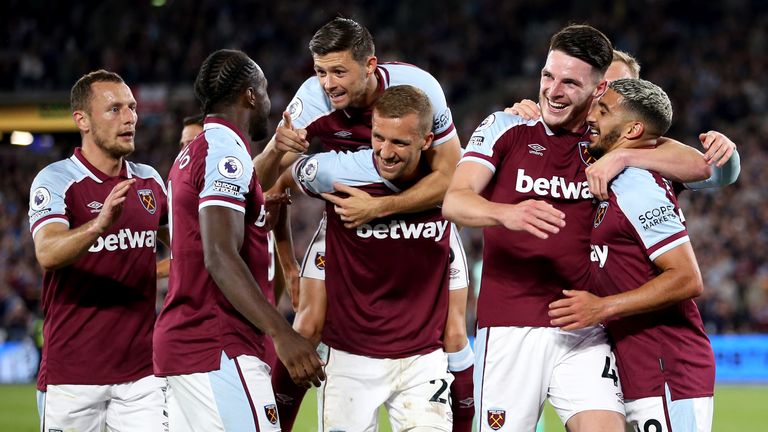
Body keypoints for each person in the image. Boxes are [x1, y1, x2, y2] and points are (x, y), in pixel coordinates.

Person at [443, 25, 714, 432]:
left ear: (599, 89)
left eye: (570, 83)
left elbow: (698, 165)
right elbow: (455, 201)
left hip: (583, 327)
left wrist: (622, 159)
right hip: (510, 327)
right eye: (548, 77)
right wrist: (506, 213)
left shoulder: (607, 140)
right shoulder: (507, 126)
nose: (553, 91)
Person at [252, 17, 472, 431]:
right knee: (308, 322)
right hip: (349, 213)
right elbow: (262, 185)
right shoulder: (310, 105)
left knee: (454, 329)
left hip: (420, 212)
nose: (328, 83)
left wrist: (380, 209)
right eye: (320, 71)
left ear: (370, 65)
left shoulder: (419, 88)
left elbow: (450, 177)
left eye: (339, 71)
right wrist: (275, 150)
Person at [152, 49, 324, 432]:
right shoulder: (224, 152)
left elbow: (246, 182)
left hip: (190, 347)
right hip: (217, 342)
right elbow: (219, 255)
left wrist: (277, 151)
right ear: (249, 95)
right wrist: (283, 334)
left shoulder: (198, 152)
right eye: (263, 91)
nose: (268, 101)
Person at [548, 78, 716, 431]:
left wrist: (601, 307)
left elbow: (687, 278)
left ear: (633, 129)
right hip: (636, 364)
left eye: (604, 110)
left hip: (668, 366)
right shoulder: (612, 176)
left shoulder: (638, 184)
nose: (592, 115)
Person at [286, 85, 456, 431]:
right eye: (379, 138)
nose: (386, 152)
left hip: (421, 360)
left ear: (426, 140)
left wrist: (520, 113)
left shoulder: (451, 183)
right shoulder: (336, 173)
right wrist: (287, 260)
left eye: (399, 143)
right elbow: (274, 187)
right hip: (350, 360)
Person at [28, 69, 168, 431]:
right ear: (82, 120)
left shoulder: (149, 181)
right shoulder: (57, 180)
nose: (130, 117)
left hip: (142, 376)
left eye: (132, 107)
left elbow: (187, 244)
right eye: (115, 109)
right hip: (73, 376)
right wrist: (98, 226)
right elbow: (48, 252)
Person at [505, 49, 740, 200]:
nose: (606, 96)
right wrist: (513, 121)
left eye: (620, 90)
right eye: (601, 86)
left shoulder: (638, 143)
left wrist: (727, 153)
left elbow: (716, 173)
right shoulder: (545, 128)